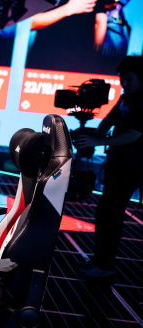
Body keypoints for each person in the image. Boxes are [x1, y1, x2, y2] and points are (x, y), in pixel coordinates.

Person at [76, 56, 143, 278]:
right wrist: (95, 135)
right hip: (118, 163)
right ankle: (100, 261)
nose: (124, 83)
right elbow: (111, 118)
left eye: (129, 79)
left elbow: (133, 135)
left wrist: (97, 141)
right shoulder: (127, 97)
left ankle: (105, 266)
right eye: (122, 79)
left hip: (131, 167)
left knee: (111, 215)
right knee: (105, 213)